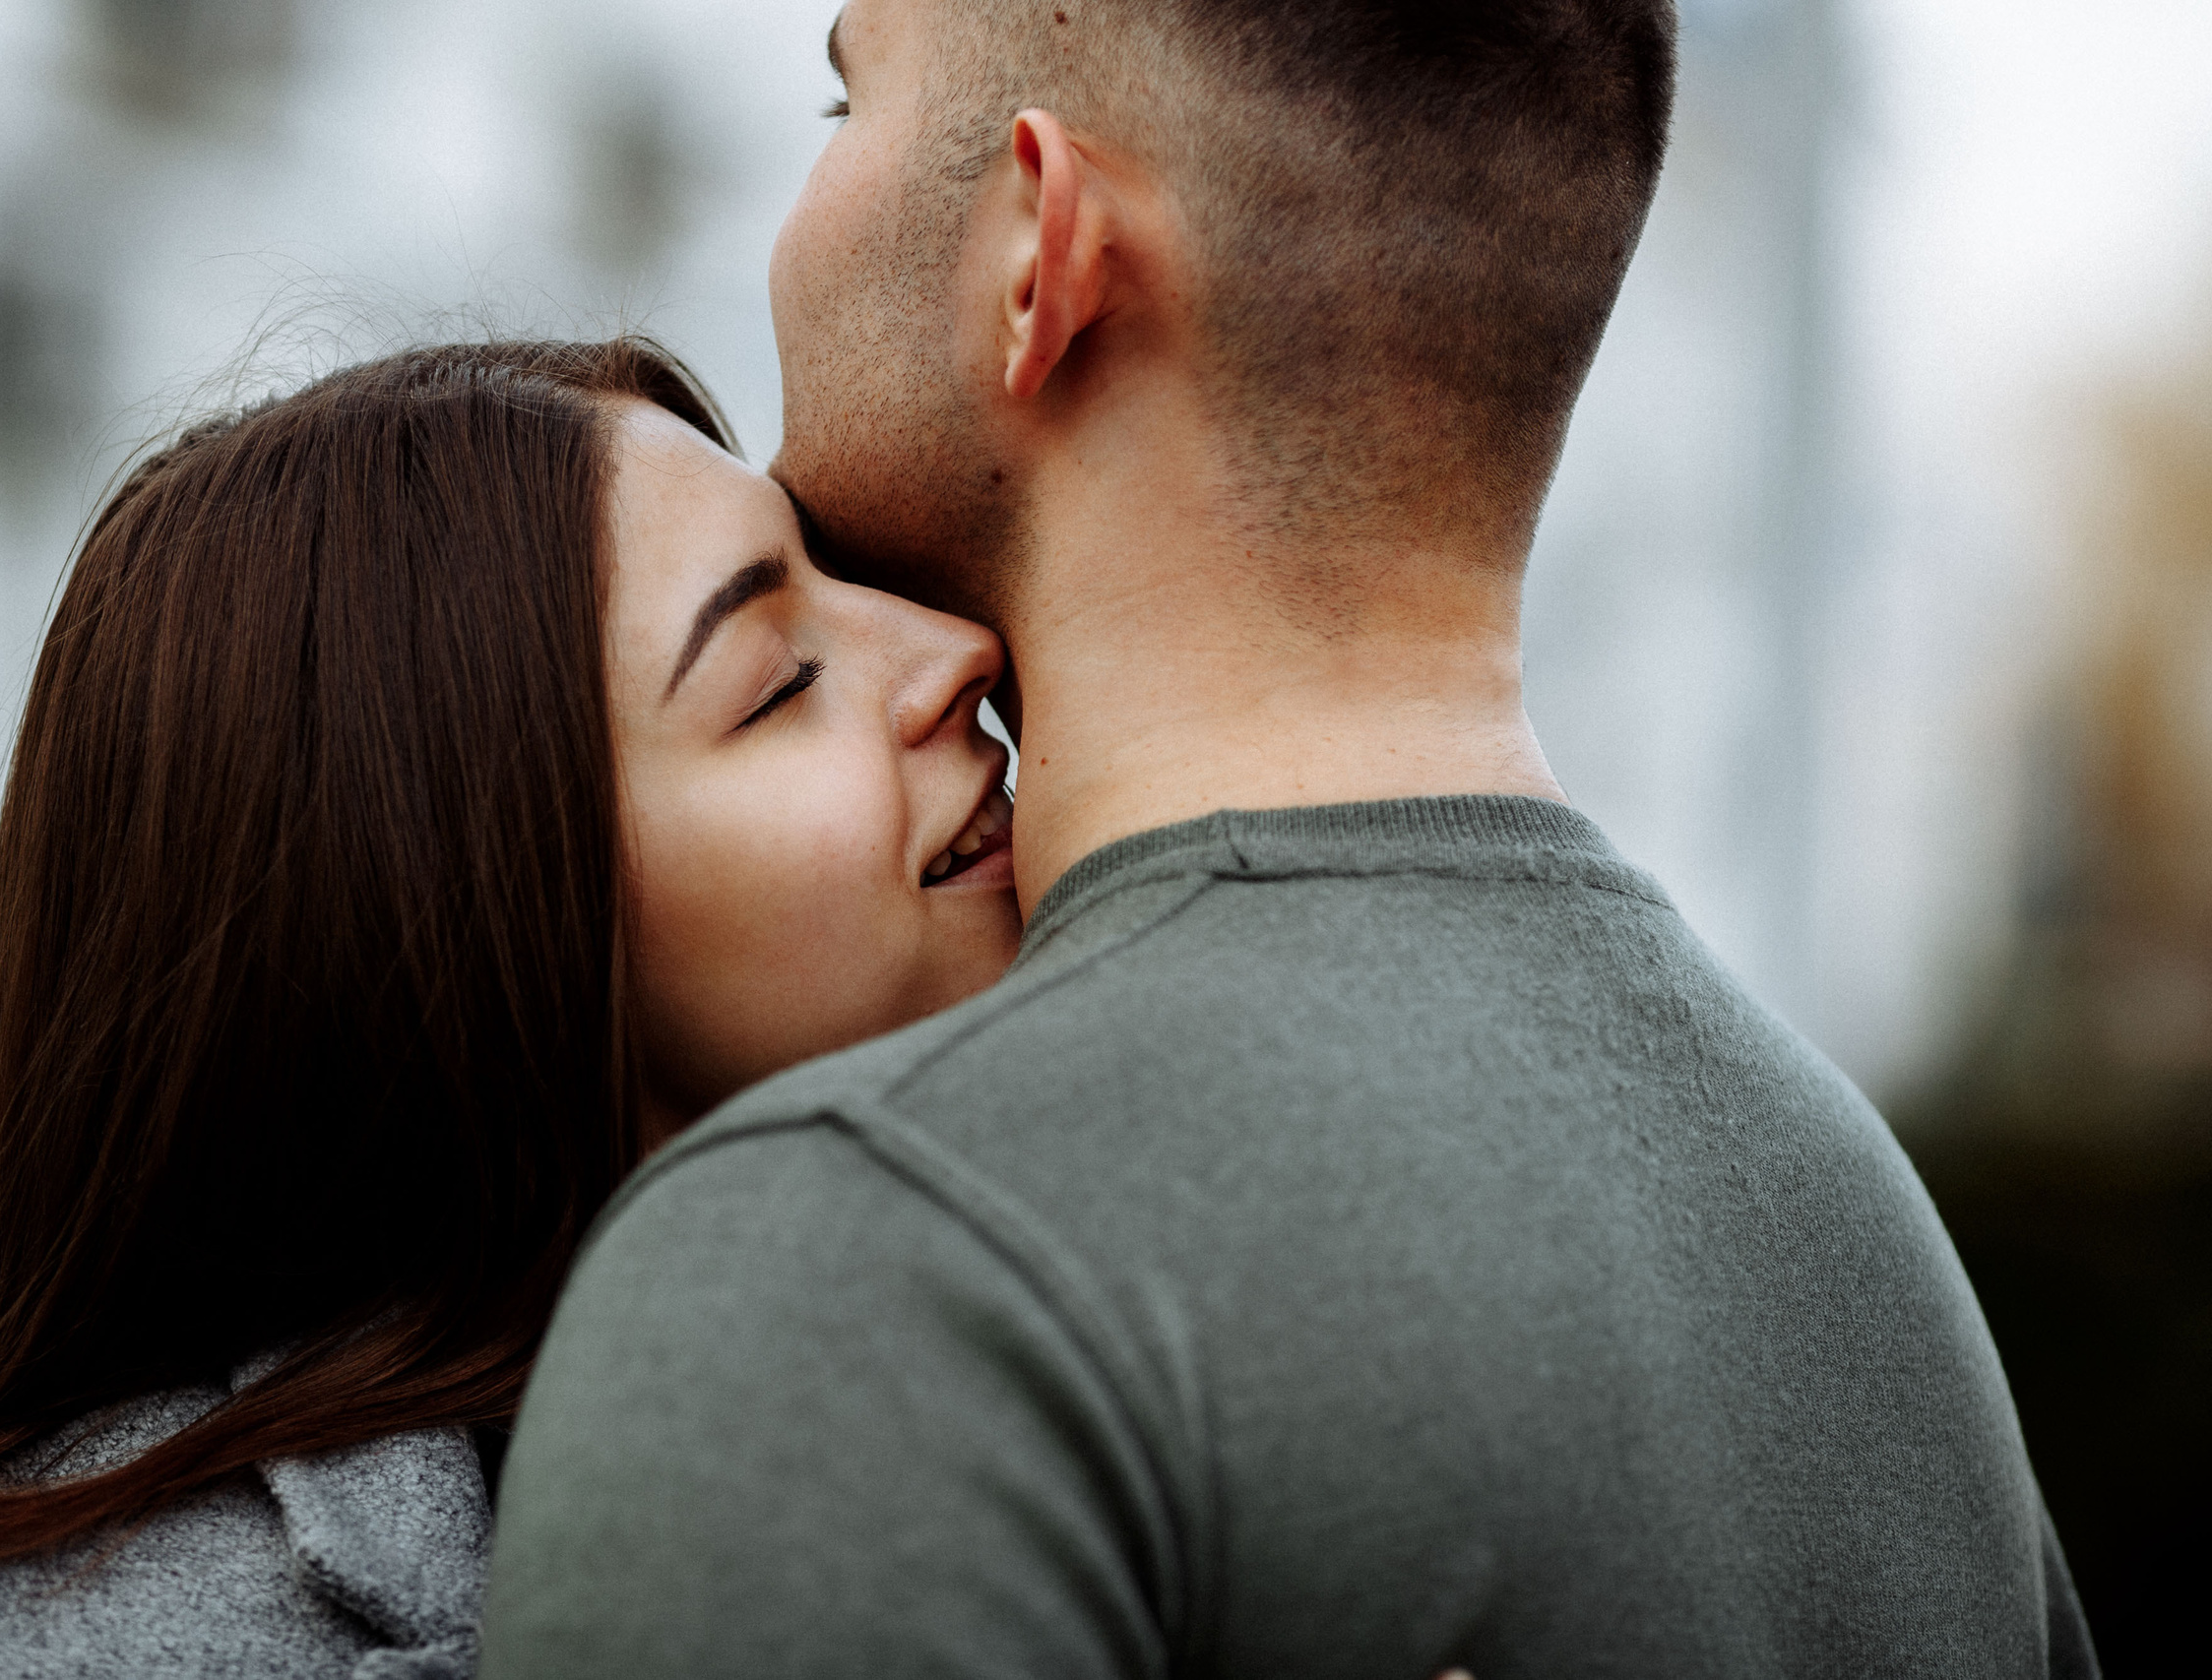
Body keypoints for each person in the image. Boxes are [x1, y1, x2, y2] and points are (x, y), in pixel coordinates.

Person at [481, 3, 2098, 1677]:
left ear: (1041, 252)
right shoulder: (1873, 1265)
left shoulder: (845, 1278)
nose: (792, 213)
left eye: (842, 100)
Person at [0, 338, 1024, 1675]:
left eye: (851, 581)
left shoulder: (1052, 1398)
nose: (962, 650)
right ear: (464, 918)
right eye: (780, 682)